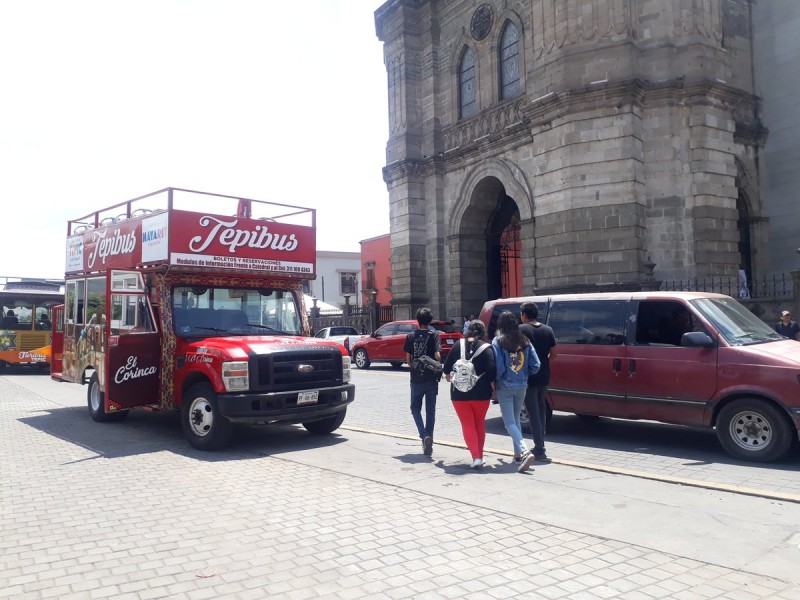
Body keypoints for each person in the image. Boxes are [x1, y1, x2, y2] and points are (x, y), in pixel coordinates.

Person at [443, 319, 495, 468]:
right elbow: (492, 369)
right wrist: (491, 382)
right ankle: (480, 455)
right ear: (483, 332)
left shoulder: (457, 345)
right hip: (482, 393)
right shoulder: (486, 348)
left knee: (467, 424)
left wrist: (451, 377)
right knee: (479, 424)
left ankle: (475, 457)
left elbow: (446, 368)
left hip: (459, 394)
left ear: (468, 331)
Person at [492, 311, 540, 473]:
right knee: (516, 420)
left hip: (504, 386)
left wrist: (496, 381)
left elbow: (498, 366)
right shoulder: (525, 340)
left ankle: (525, 451)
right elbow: (536, 364)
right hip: (522, 386)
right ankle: (517, 455)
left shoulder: (498, 341)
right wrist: (525, 375)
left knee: (509, 422)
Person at [519, 302, 557, 463]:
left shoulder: (521, 330)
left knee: (532, 411)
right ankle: (541, 442)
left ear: (524, 315)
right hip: (544, 374)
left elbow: (517, 355)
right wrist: (543, 362)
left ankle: (539, 448)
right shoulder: (548, 329)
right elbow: (553, 354)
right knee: (541, 409)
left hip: (528, 376)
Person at [403, 307, 442, 455]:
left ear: (418, 321)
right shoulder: (434, 335)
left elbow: (408, 359)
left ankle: (423, 435)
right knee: (430, 411)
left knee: (415, 409)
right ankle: (429, 440)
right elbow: (437, 357)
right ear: (430, 320)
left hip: (416, 378)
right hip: (431, 378)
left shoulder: (411, 336)